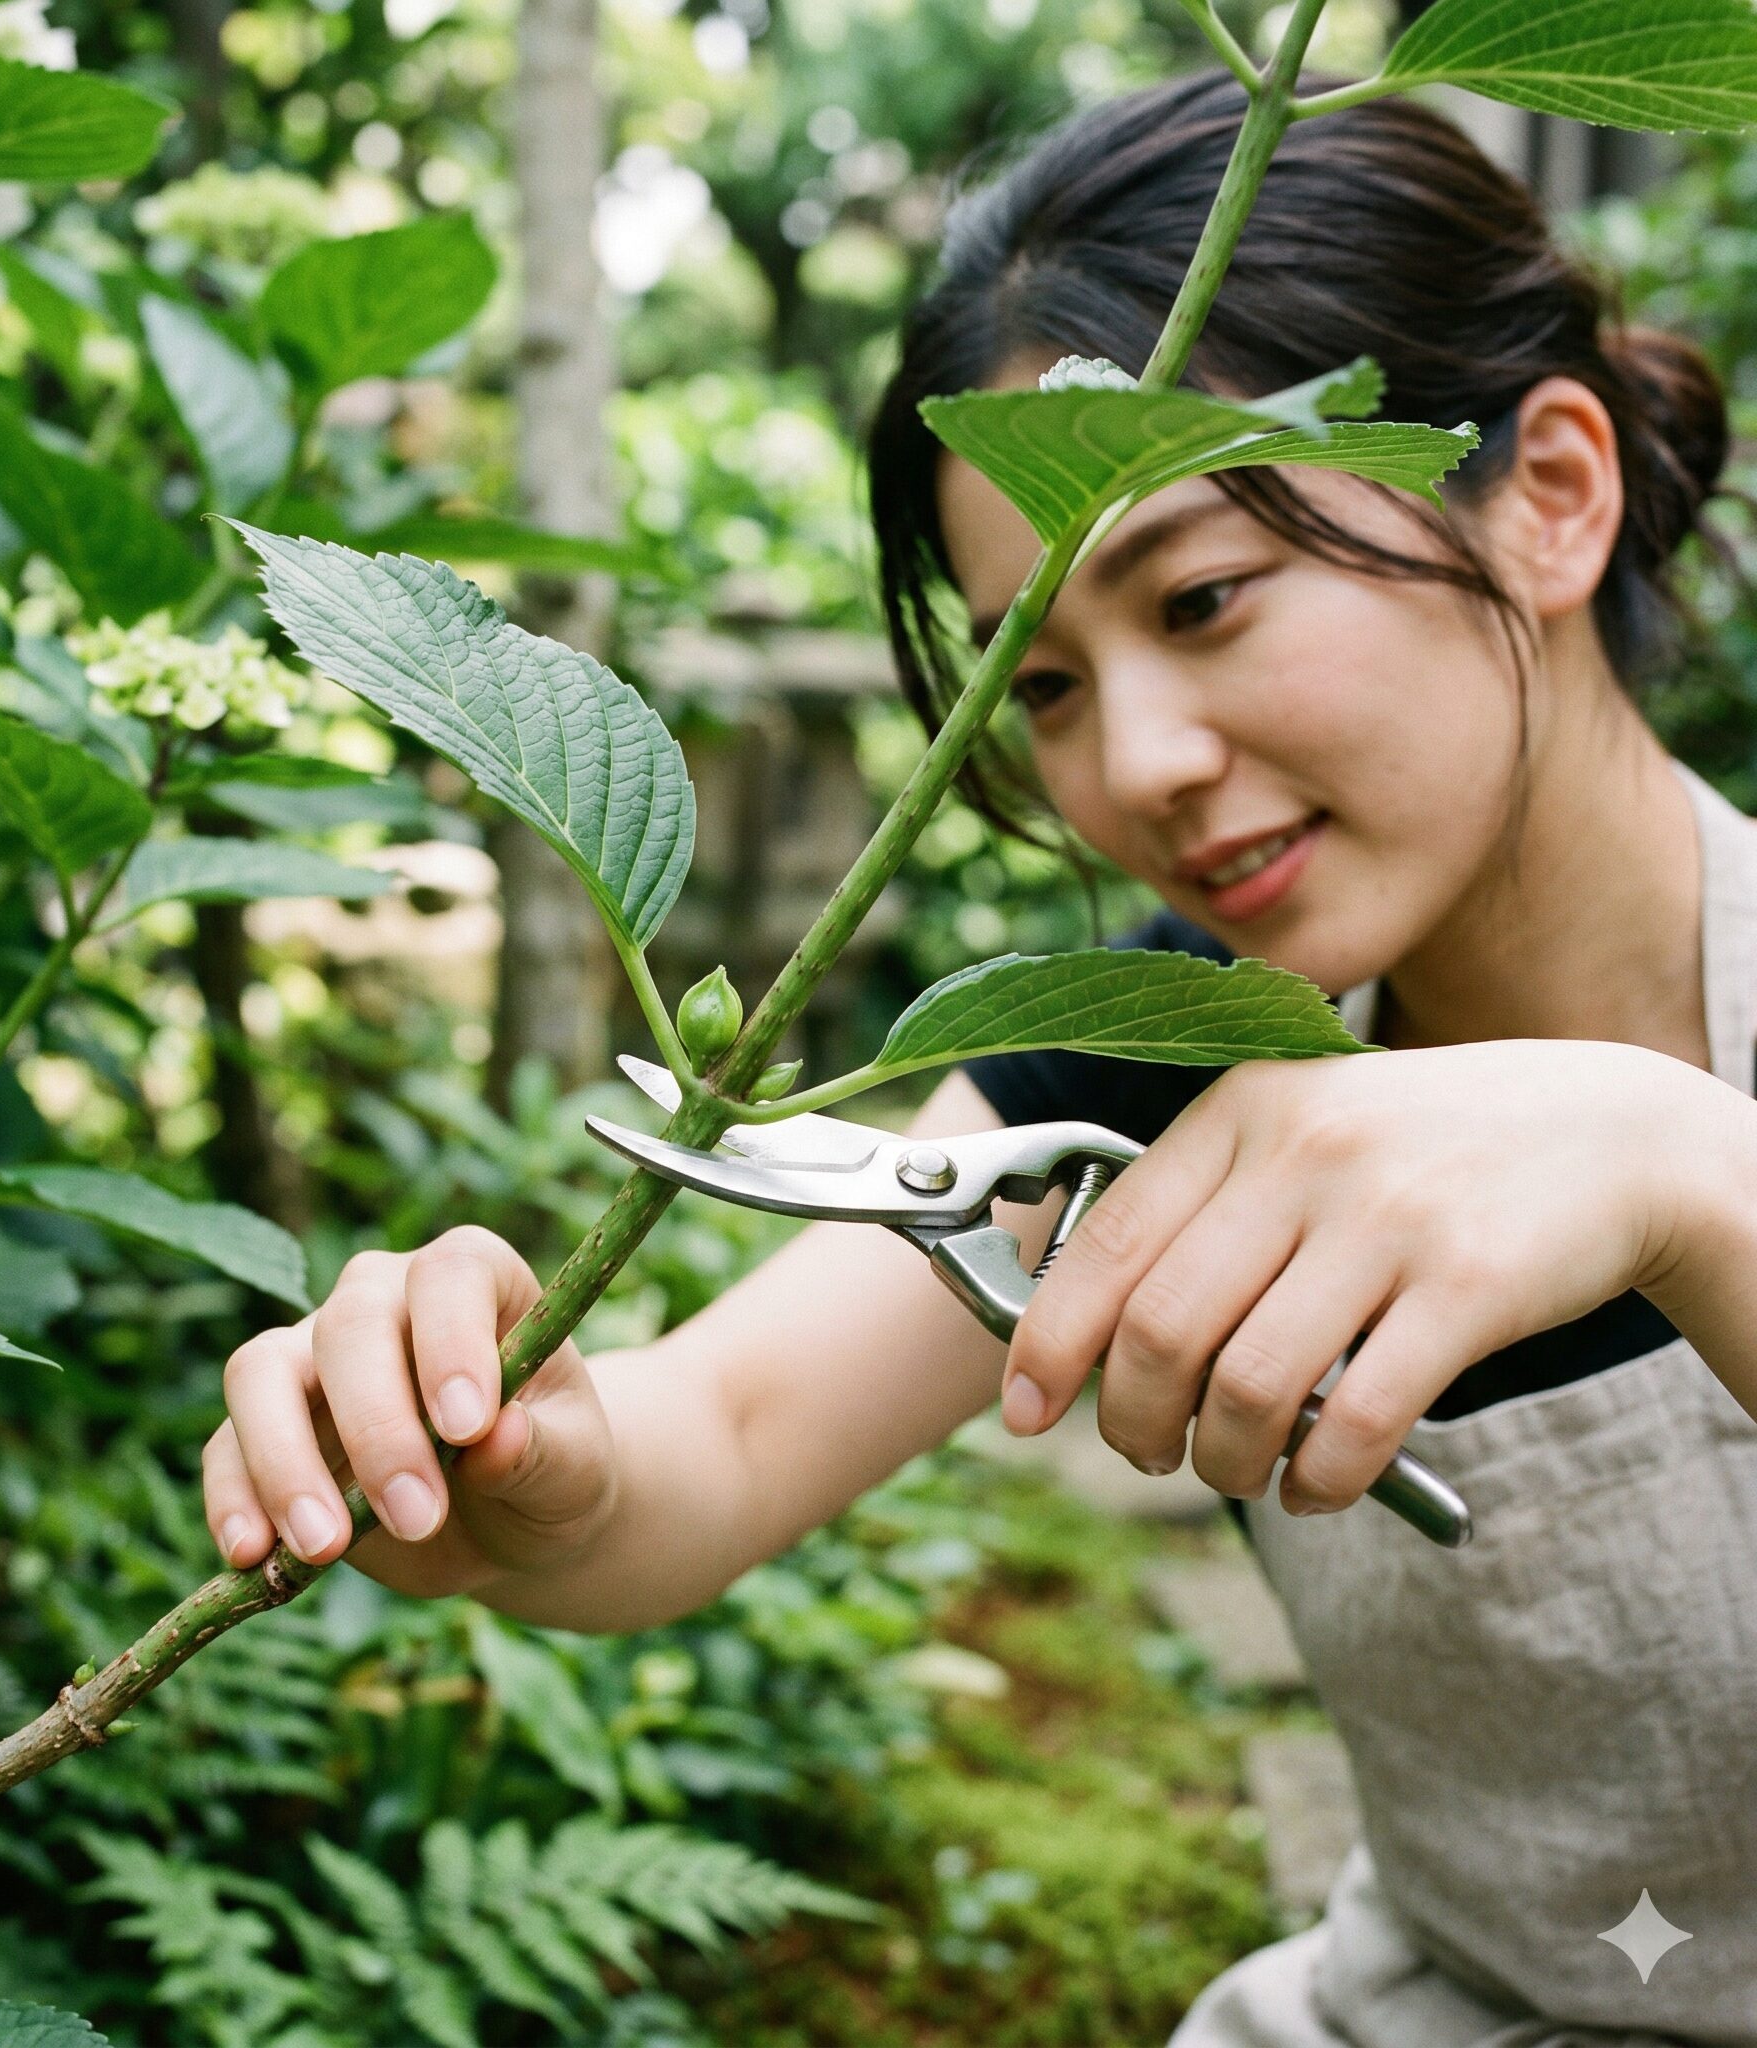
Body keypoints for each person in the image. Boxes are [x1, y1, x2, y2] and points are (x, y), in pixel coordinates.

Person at [202, 70, 1757, 2046]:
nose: (1136, 764)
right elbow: (720, 1432)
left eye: (1203, 597)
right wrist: (514, 1457)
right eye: (1045, 683)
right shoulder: (1159, 1052)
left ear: (1550, 494)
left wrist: (1684, 1178)